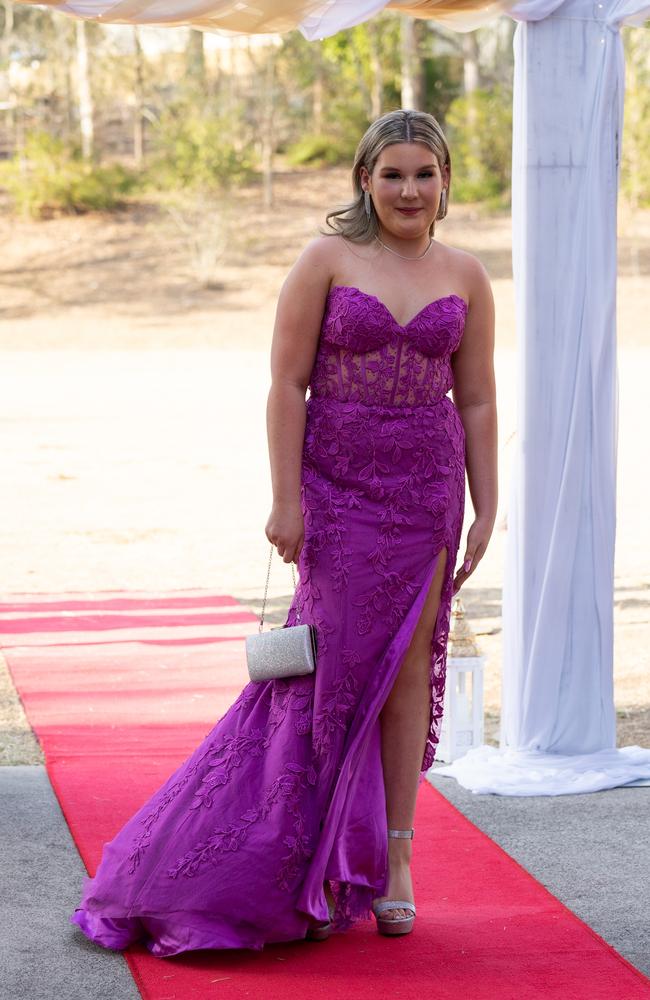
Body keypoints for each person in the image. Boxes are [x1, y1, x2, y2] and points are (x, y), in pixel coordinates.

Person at [70, 108, 497, 956]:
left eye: (424, 173)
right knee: (326, 670)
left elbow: (478, 398)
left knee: (410, 665)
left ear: (445, 181)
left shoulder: (468, 274)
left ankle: (398, 862)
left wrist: (489, 505)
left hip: (425, 494)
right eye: (393, 174)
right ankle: (273, 855)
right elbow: (285, 384)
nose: (409, 189)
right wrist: (285, 500)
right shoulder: (325, 259)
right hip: (336, 490)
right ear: (364, 181)